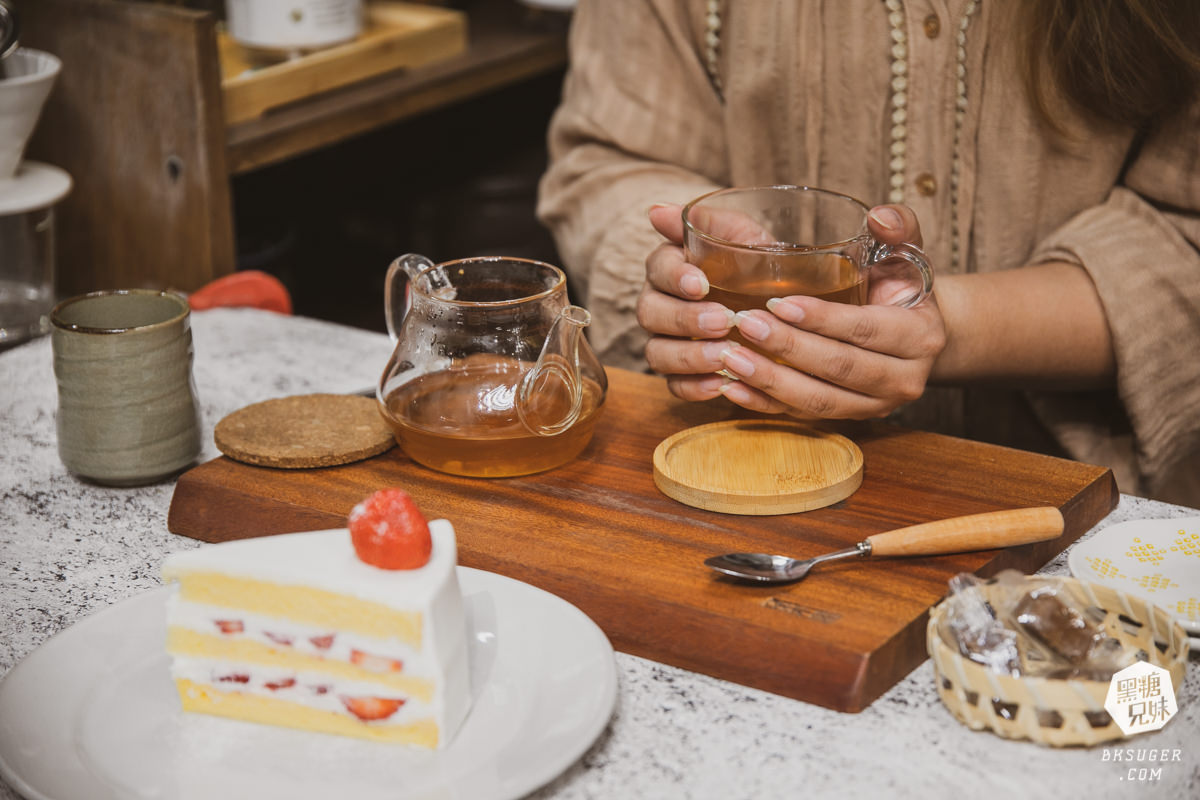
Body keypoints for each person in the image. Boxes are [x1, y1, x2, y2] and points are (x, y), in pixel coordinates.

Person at [537, 0, 1200, 505]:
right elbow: (610, 160)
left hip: (1090, 504)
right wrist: (679, 269)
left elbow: (1185, 228)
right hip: (739, 472)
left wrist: (947, 327)